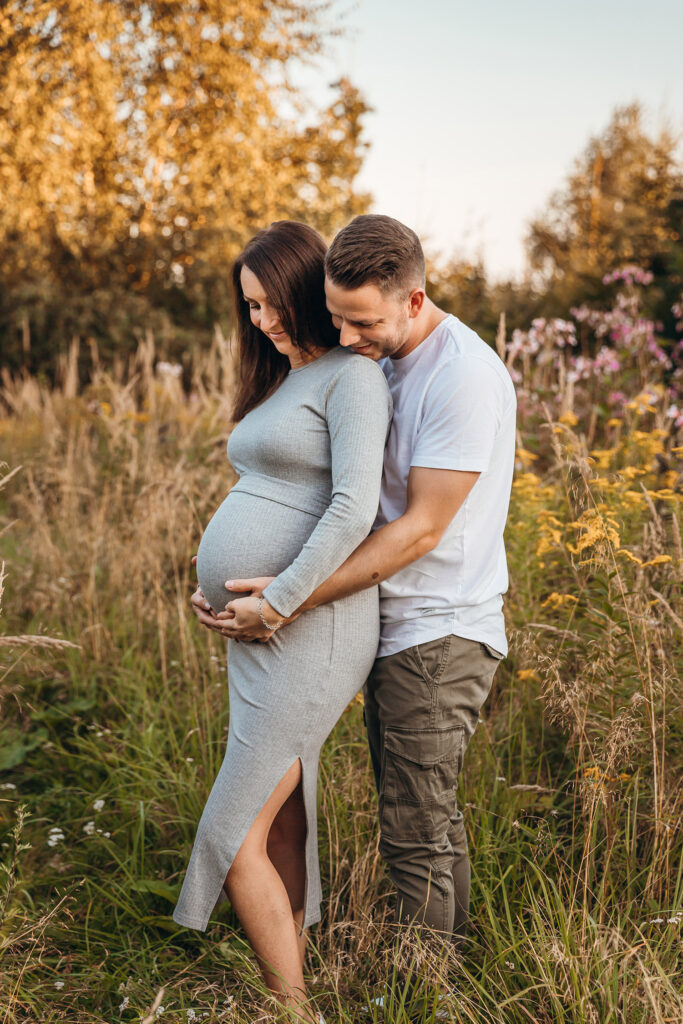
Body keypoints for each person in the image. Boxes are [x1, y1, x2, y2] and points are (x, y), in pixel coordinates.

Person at [197, 214, 517, 951]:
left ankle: (426, 991)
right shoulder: (380, 360)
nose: (345, 339)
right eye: (336, 319)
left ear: (413, 299)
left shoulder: (460, 374)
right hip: (386, 622)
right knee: (415, 818)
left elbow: (418, 530)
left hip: (437, 626)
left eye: (362, 322)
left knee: (416, 833)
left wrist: (280, 600)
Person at [174, 220, 392, 1023]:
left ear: (303, 288)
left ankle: (293, 1011)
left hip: (312, 624)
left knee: (233, 837)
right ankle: (306, 972)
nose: (259, 321)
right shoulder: (282, 379)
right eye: (248, 308)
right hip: (262, 624)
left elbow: (351, 510)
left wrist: (276, 601)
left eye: (268, 303)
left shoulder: (352, 377)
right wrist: (219, 596)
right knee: (281, 814)